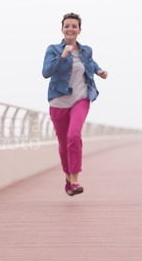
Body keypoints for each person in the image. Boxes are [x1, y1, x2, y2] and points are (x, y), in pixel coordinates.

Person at [42, 13, 108, 196]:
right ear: (62, 29)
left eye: (74, 26)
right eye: (67, 26)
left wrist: (99, 71)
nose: (70, 29)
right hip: (58, 101)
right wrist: (63, 55)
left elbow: (90, 63)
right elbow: (46, 72)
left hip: (81, 98)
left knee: (73, 136)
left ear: (79, 30)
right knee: (63, 143)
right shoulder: (53, 49)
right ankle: (68, 180)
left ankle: (75, 180)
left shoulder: (86, 50)